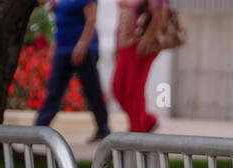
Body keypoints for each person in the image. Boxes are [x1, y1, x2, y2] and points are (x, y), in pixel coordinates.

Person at [34, 0, 111, 142]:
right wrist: (55, 47)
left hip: (83, 50)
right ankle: (38, 128)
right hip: (63, 49)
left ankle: (103, 128)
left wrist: (81, 45)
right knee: (54, 89)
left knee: (92, 89)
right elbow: (61, 24)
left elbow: (91, 20)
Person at [111, 0, 168, 134]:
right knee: (118, 88)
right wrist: (117, 44)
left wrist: (147, 40)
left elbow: (160, 15)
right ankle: (147, 121)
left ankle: (138, 130)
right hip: (125, 45)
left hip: (139, 45)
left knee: (134, 90)